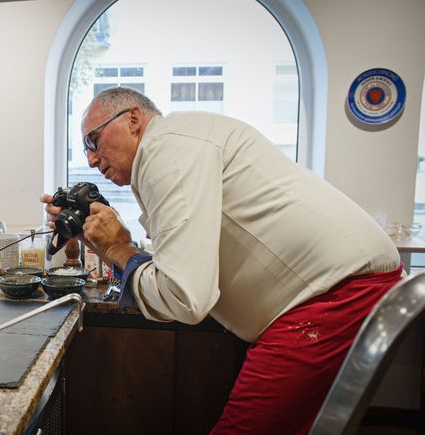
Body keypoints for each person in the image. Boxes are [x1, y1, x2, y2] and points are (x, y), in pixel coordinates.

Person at [41, 87, 402, 434]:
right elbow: (183, 260)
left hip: (332, 298)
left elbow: (185, 297)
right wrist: (109, 244)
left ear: (133, 118)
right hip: (335, 289)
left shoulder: (165, 150)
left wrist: (118, 250)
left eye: (94, 140)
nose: (90, 158)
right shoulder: (182, 141)